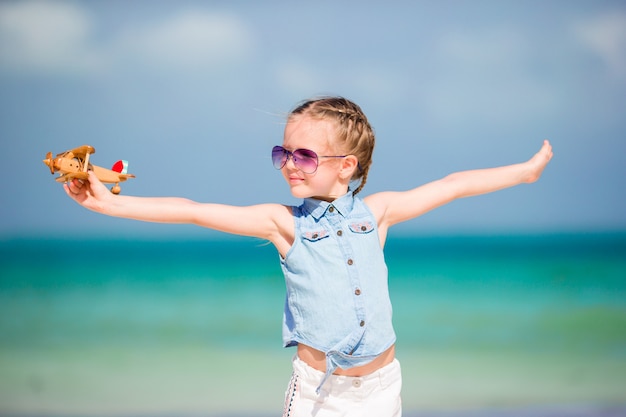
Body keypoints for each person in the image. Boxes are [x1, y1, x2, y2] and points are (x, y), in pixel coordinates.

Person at [64, 96, 553, 417]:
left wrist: (524, 173)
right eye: (283, 154)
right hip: (321, 394)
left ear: (346, 167)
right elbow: (194, 211)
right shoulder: (284, 223)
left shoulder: (377, 213)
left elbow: (452, 186)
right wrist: (110, 203)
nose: (289, 165)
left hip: (383, 387)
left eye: (303, 156)